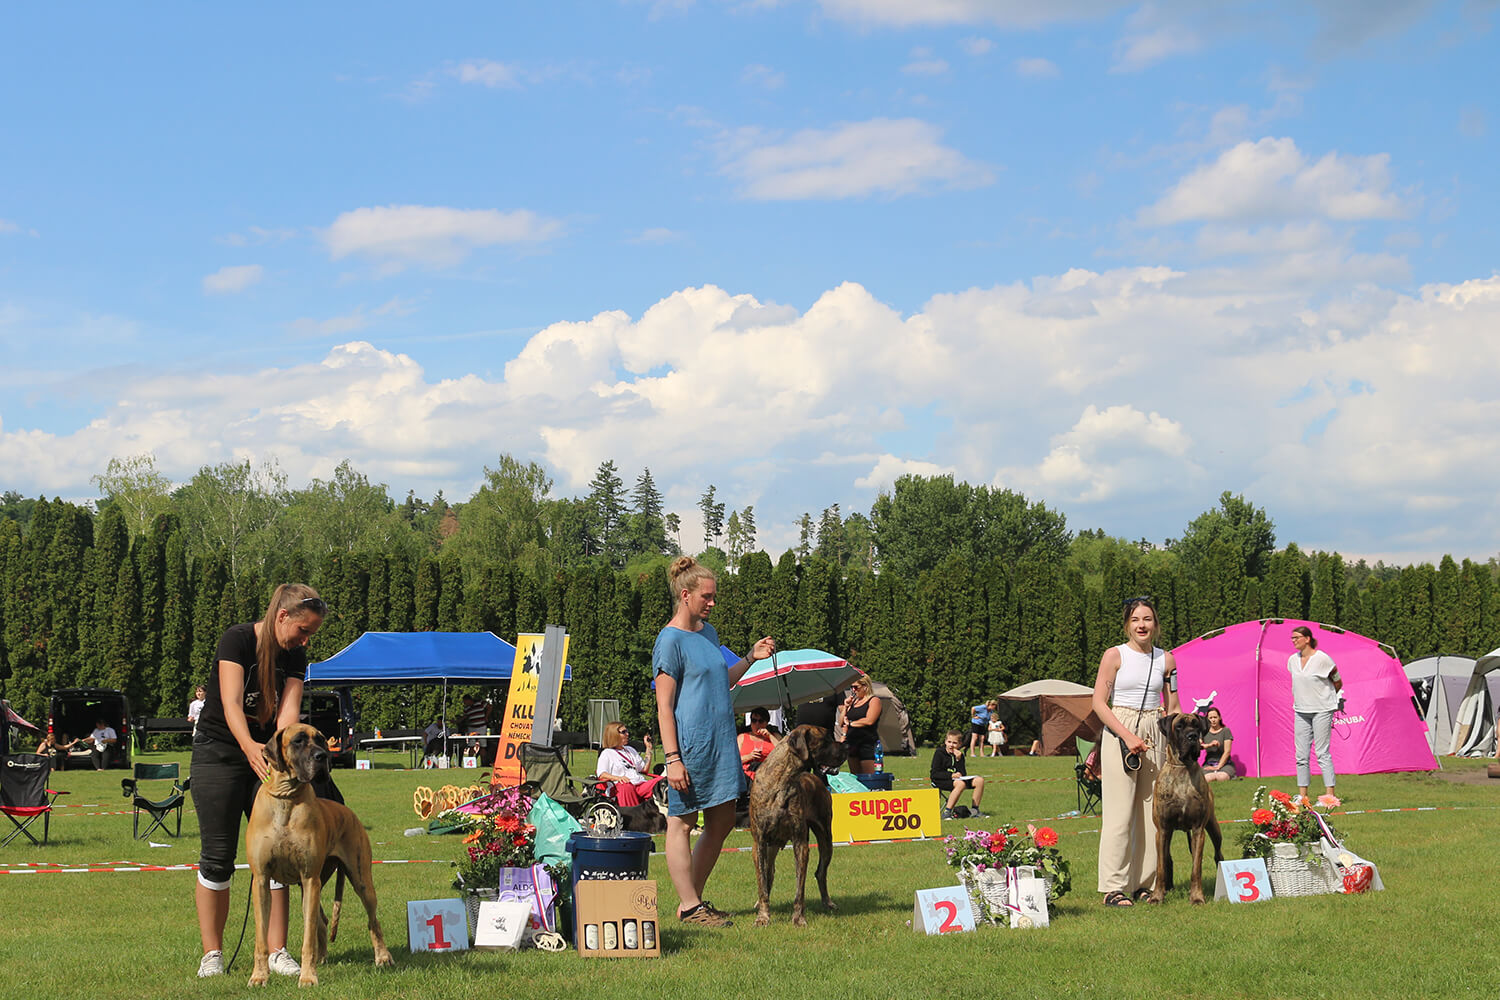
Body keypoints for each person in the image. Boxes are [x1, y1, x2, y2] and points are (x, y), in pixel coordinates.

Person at [191, 583, 326, 978]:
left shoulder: (295, 656)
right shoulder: (236, 640)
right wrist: (249, 746)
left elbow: (288, 717)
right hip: (219, 750)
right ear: (282, 616)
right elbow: (231, 703)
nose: (305, 640)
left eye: (310, 634)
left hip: (269, 756)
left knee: (281, 851)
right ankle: (212, 955)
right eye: (303, 630)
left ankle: (277, 951)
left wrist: (287, 757)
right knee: (217, 856)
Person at [654, 556, 775, 928]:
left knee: (721, 822)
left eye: (713, 596)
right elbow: (664, 706)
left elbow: (721, 680)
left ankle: (692, 903)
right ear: (685, 595)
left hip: (720, 743)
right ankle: (691, 906)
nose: (712, 602)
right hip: (690, 747)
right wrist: (672, 759)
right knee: (682, 822)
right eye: (706, 596)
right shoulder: (669, 640)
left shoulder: (709, 633)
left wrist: (750, 658)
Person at [1091, 596, 1179, 908]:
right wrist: (1127, 736)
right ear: (1127, 624)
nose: (1142, 625)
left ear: (1156, 624)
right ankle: (1113, 887)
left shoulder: (1167, 660)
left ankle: (1146, 884)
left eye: (1147, 619)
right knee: (1119, 813)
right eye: (1135, 620)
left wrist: (1177, 743)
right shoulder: (1114, 655)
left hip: (1155, 732)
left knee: (1151, 814)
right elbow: (1098, 703)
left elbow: (1174, 705)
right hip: (1120, 730)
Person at [1288, 625, 1342, 805]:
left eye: (1296, 637)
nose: (1293, 641)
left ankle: (1330, 796)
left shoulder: (1322, 659)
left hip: (1322, 710)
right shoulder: (1292, 660)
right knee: (1301, 755)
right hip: (1301, 710)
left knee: (1322, 753)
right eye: (1292, 638)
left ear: (1307, 639)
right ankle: (1303, 796)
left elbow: (1337, 681)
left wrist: (1328, 699)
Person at [595, 720, 662, 807]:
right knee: (626, 786)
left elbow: (644, 769)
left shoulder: (630, 750)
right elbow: (602, 774)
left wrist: (648, 748)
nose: (627, 734)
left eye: (627, 731)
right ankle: (635, 814)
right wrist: (618, 778)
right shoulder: (607, 753)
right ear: (613, 734)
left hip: (639, 785)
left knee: (663, 781)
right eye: (624, 732)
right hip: (621, 787)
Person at [931, 730, 987, 818]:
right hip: (941, 780)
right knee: (960, 784)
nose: (951, 745)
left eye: (954, 743)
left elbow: (963, 774)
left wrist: (958, 759)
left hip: (957, 780)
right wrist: (951, 775)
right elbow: (934, 774)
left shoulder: (959, 755)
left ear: (959, 744)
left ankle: (975, 810)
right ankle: (947, 812)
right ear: (945, 742)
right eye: (949, 742)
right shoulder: (939, 753)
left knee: (980, 780)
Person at [838, 675, 883, 774]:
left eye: (856, 687)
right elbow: (841, 723)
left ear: (865, 687)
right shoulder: (853, 702)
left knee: (868, 776)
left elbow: (869, 720)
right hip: (852, 743)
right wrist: (845, 707)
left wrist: (851, 723)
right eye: (852, 687)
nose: (853, 690)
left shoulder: (874, 700)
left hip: (867, 744)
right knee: (855, 777)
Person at [738, 707, 783, 780]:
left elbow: (783, 752)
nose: (757, 724)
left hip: (768, 775)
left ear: (766, 723)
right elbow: (734, 760)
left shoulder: (774, 736)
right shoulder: (742, 737)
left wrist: (770, 736)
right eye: (754, 721)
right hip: (746, 775)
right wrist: (749, 756)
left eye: (761, 721)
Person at [1201, 707, 1235, 782]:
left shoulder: (1226, 730)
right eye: (1210, 718)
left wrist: (1218, 767)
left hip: (1225, 765)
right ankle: (1213, 774)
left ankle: (1221, 773)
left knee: (1221, 777)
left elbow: (1227, 752)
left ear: (1219, 718)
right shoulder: (1204, 732)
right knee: (1207, 778)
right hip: (1208, 765)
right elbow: (1198, 746)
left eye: (1215, 717)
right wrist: (1209, 745)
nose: (1213, 720)